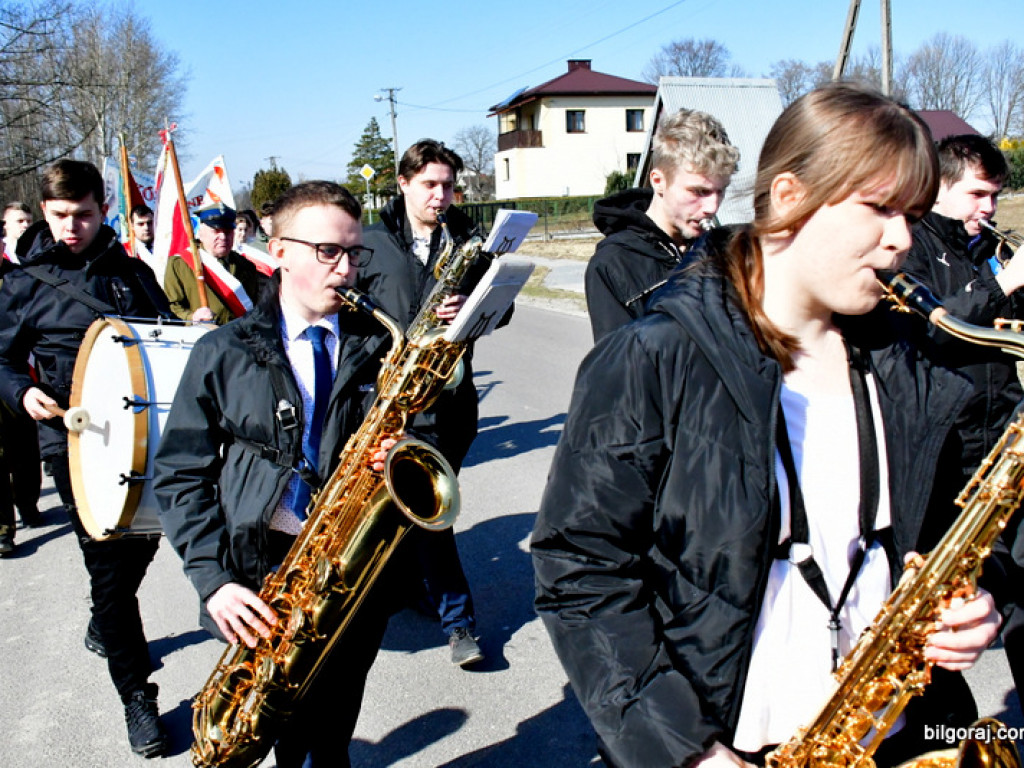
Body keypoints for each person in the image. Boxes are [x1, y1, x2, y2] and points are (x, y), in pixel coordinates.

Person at [532, 83, 1006, 768]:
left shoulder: (911, 361)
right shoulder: (654, 356)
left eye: (911, 214)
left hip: (899, 737)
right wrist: (686, 753)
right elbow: (581, 570)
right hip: (724, 748)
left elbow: (943, 538)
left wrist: (975, 602)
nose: (902, 240)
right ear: (788, 197)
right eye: (880, 209)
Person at [154, 181, 417, 767]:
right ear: (278, 251)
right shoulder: (224, 351)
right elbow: (178, 476)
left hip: (350, 566)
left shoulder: (379, 344)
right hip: (261, 571)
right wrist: (214, 580)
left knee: (332, 727)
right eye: (330, 252)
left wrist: (404, 448)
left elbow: (426, 436)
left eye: (355, 253)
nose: (347, 269)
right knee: (269, 721)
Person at [0, 159, 171, 756]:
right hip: (74, 443)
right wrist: (20, 391)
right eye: (60, 216)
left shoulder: (130, 271)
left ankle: (104, 618)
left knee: (143, 539)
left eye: (84, 215)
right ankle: (137, 699)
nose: (72, 227)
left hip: (145, 435)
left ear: (104, 209)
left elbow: (163, 330)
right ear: (45, 212)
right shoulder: (24, 283)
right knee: (109, 570)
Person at [360, 139, 497, 667]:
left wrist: (476, 304)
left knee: (422, 512)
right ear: (403, 183)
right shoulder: (371, 243)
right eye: (430, 186)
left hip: (453, 404)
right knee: (428, 514)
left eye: (448, 186)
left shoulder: (467, 238)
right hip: (394, 404)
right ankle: (458, 622)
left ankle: (418, 589)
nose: (441, 196)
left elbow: (498, 312)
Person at [900, 134, 1024, 706]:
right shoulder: (914, 248)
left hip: (1003, 449)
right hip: (948, 462)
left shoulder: (986, 247)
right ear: (942, 186)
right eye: (978, 193)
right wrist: (1002, 285)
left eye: (996, 196)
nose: (989, 208)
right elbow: (930, 329)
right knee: (948, 617)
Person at [585, 109, 739, 342]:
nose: (712, 206)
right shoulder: (613, 263)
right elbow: (620, 370)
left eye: (721, 191)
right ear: (659, 181)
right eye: (699, 191)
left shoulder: (725, 249)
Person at [163, 201, 264, 325]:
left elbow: (255, 307)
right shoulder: (179, 264)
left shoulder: (246, 266)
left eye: (227, 231)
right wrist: (191, 317)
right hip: (200, 337)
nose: (222, 236)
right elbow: (172, 307)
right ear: (201, 233)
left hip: (238, 338)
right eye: (216, 231)